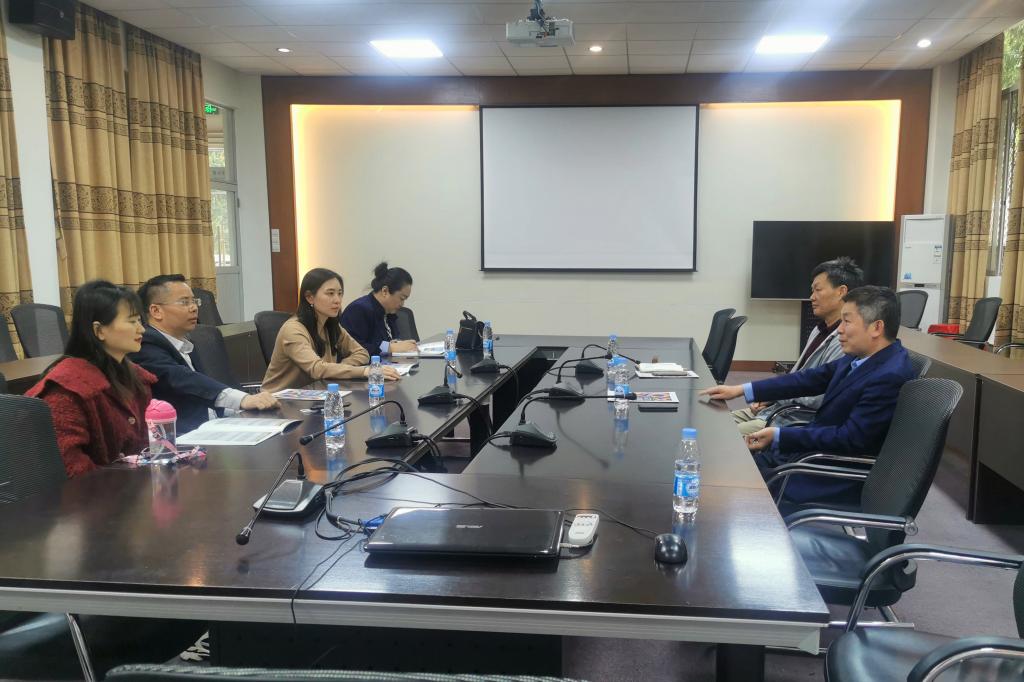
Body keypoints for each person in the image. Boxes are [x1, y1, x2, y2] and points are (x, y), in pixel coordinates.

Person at [702, 286, 915, 500]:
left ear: (876, 327)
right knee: (721, 463)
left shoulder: (889, 375)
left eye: (847, 321)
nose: (840, 330)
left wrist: (780, 436)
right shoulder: (862, 356)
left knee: (726, 481)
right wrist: (741, 390)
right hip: (805, 455)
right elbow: (807, 379)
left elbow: (850, 438)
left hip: (824, 472)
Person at [26, 281, 155, 478]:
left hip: (133, 487)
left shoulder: (136, 377)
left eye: (139, 320)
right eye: (131, 322)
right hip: (92, 493)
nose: (141, 329)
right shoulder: (66, 388)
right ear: (99, 330)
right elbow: (69, 466)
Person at [131, 274, 279, 434]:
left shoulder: (184, 342)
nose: (194, 308)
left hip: (212, 427)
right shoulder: (145, 344)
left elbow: (202, 397)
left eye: (194, 301)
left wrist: (240, 410)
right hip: (182, 437)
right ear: (156, 311)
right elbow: (183, 380)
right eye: (184, 302)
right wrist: (243, 400)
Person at [733, 257, 863, 436]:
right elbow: (797, 376)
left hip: (790, 421)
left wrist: (778, 395)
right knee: (712, 423)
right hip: (774, 410)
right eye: (812, 290)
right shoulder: (818, 330)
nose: (812, 297)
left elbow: (820, 397)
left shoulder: (844, 342)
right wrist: (771, 395)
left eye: (818, 290)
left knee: (720, 438)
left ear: (841, 292)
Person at [262, 268, 400, 392]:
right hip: (279, 401)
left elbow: (361, 353)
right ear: (309, 297)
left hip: (316, 396)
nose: (337, 300)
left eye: (340, 294)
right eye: (330, 293)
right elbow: (317, 369)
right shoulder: (293, 330)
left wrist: (338, 368)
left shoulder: (331, 325)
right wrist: (364, 371)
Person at [340, 262, 418, 357]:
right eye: (401, 298)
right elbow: (354, 348)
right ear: (385, 291)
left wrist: (401, 344)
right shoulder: (358, 310)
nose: (402, 304)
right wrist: (389, 348)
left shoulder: (388, 312)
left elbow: (389, 341)